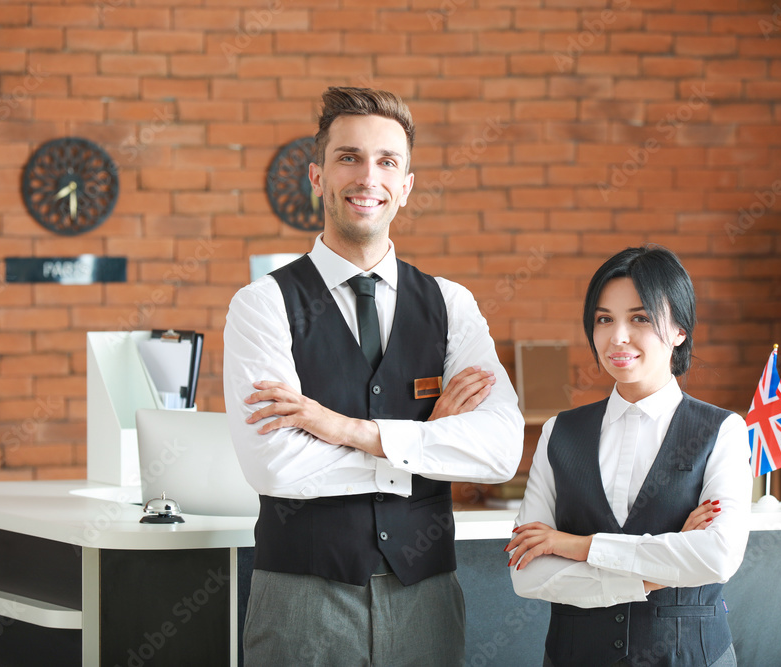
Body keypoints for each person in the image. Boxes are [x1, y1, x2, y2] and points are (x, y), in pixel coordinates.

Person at [223, 86, 524, 665]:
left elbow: (500, 452)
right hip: (302, 602)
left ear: (406, 186)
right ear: (317, 177)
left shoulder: (450, 304)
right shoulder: (263, 305)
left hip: (426, 600)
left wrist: (346, 430)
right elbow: (275, 465)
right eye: (349, 158)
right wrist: (426, 440)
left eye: (387, 162)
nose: (368, 177)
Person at [507, 246, 752, 667]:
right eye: (604, 319)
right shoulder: (559, 432)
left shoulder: (723, 431)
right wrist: (653, 576)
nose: (618, 337)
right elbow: (527, 573)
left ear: (680, 329)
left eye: (640, 318)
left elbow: (716, 556)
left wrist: (579, 546)